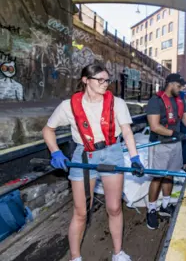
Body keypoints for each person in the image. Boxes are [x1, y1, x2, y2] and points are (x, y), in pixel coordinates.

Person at [43, 64, 144, 261]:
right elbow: (48, 130)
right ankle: (75, 257)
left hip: (112, 151)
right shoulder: (68, 106)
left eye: (107, 80)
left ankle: (118, 253)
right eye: (100, 80)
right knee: (81, 212)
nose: (105, 84)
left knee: (114, 208)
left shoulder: (118, 103)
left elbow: (127, 132)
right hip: (83, 154)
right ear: (85, 80)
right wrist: (56, 153)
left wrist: (134, 158)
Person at [145, 73, 186, 229]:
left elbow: (185, 119)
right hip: (160, 144)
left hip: (175, 144)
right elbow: (154, 126)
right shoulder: (155, 101)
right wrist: (174, 133)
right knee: (158, 178)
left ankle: (165, 205)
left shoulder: (180, 100)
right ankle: (151, 209)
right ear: (171, 84)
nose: (181, 89)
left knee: (171, 175)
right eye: (179, 86)